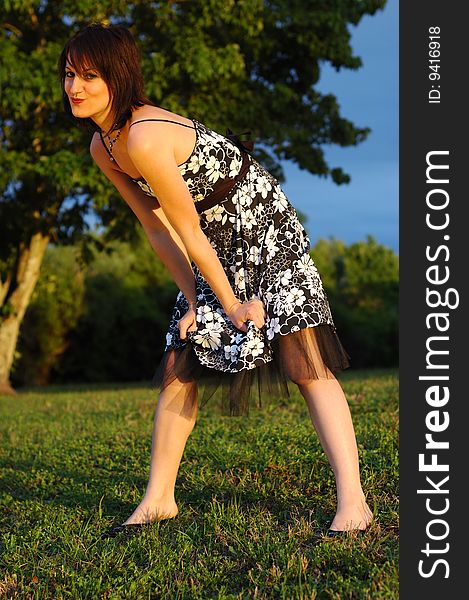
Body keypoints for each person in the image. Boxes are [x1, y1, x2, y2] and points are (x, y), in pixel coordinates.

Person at [58, 23, 373, 538]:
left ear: (118, 77)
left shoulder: (144, 135)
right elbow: (159, 231)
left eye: (90, 76)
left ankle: (354, 504)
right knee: (180, 357)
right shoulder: (104, 146)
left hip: (260, 225)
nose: (75, 87)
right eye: (70, 74)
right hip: (210, 241)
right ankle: (159, 499)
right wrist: (195, 301)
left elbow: (185, 225)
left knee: (302, 359)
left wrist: (228, 306)